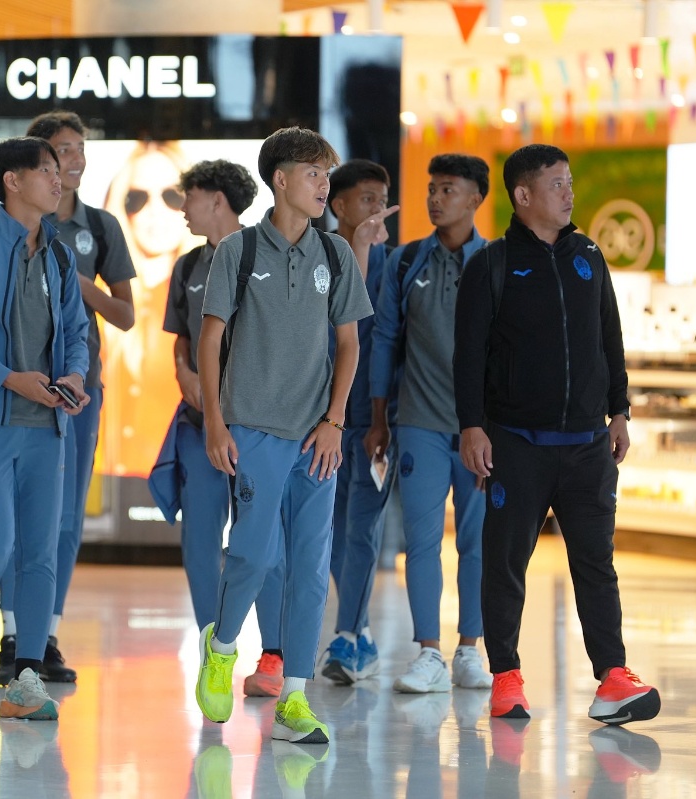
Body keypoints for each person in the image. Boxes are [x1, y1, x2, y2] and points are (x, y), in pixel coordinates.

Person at [454, 143, 660, 724]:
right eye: (556, 184)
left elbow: (609, 337)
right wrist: (472, 426)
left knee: (596, 562)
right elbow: (467, 356)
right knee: (506, 562)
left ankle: (613, 676)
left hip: (587, 446)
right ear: (523, 195)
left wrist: (619, 410)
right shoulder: (491, 265)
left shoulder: (589, 255)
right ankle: (506, 676)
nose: (569, 193)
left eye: (569, 182)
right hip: (516, 443)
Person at [194, 127, 373, 744]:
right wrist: (215, 422)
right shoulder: (238, 251)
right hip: (252, 428)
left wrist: (335, 422)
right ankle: (221, 647)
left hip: (317, 436)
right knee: (253, 553)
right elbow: (211, 340)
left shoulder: (336, 255)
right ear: (280, 179)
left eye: (327, 174)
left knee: (311, 567)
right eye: (313, 173)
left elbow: (349, 344)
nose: (324, 185)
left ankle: (294, 697)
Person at [0, 111, 137, 688]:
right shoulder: (3, 228)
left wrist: (75, 282)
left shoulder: (99, 227)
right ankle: (10, 635)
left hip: (76, 390)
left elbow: (124, 315)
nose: (72, 161)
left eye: (78, 149)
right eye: (60, 151)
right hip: (13, 389)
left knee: (66, 517)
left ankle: (44, 634)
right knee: (11, 517)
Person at [0, 136, 89, 721]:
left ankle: (26, 676)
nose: (59, 181)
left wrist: (74, 375)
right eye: (47, 171)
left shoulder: (60, 256)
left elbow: (76, 330)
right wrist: (9, 380)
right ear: (12, 180)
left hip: (47, 425)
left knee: (41, 552)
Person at [367, 154, 494, 695]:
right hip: (418, 422)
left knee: (478, 542)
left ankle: (470, 650)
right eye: (432, 189)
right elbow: (384, 340)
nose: (435, 199)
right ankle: (428, 653)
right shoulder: (405, 262)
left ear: (475, 199)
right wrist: (379, 419)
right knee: (421, 541)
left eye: (448, 189)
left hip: (481, 429)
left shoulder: (497, 263)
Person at [159, 158, 285, 697]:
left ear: (216, 199)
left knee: (260, 539)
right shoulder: (188, 266)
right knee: (199, 540)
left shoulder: (265, 255)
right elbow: (183, 340)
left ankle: (274, 654)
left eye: (188, 197)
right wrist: (184, 373)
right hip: (197, 424)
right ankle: (214, 649)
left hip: (254, 424)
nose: (182, 208)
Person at [317, 158, 401, 686]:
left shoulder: (393, 263)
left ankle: (347, 636)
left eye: (382, 200)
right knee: (329, 533)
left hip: (373, 422)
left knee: (362, 530)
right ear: (338, 205)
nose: (376, 208)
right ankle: (360, 630)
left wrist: (384, 419)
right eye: (366, 199)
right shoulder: (315, 255)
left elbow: (375, 324)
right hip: (322, 420)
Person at [102, 140, 200, 478]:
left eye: (172, 196)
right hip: (101, 480)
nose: (154, 210)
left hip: (178, 471)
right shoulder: (98, 295)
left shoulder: (209, 290)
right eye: (137, 198)